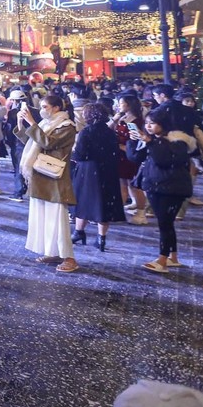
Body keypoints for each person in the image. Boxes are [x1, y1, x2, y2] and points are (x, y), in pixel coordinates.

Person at [16, 94, 80, 273]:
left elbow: (47, 143)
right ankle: (53, 251)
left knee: (58, 219)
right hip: (40, 174)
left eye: (45, 107)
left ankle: (70, 258)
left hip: (54, 178)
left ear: (56, 108)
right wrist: (22, 124)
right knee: (42, 216)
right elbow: (33, 143)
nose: (42, 110)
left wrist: (31, 123)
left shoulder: (67, 126)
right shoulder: (46, 124)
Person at [127, 109, 194, 274]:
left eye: (153, 123)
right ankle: (173, 257)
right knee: (167, 223)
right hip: (157, 186)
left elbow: (163, 160)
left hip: (171, 187)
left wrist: (149, 142)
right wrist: (133, 141)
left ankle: (162, 261)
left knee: (165, 224)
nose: (148, 126)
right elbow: (135, 157)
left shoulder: (178, 141)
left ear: (163, 124)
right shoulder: (153, 140)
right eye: (147, 123)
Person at [71, 103, 125, 252]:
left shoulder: (86, 132)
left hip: (88, 171)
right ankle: (101, 238)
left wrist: (74, 152)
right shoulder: (110, 132)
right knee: (103, 203)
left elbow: (80, 155)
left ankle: (78, 232)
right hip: (107, 171)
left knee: (83, 201)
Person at [112, 95, 149, 225]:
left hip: (129, 156)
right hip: (121, 155)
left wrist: (124, 146)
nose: (118, 105)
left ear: (129, 105)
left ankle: (141, 212)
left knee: (134, 185)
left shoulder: (135, 121)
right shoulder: (122, 117)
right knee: (123, 184)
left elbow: (137, 139)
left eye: (121, 103)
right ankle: (118, 211)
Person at [3, 90, 31, 201]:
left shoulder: (13, 113)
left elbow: (10, 130)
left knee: (18, 167)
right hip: (32, 141)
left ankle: (18, 192)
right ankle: (29, 189)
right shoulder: (34, 111)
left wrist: (9, 142)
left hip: (18, 142)